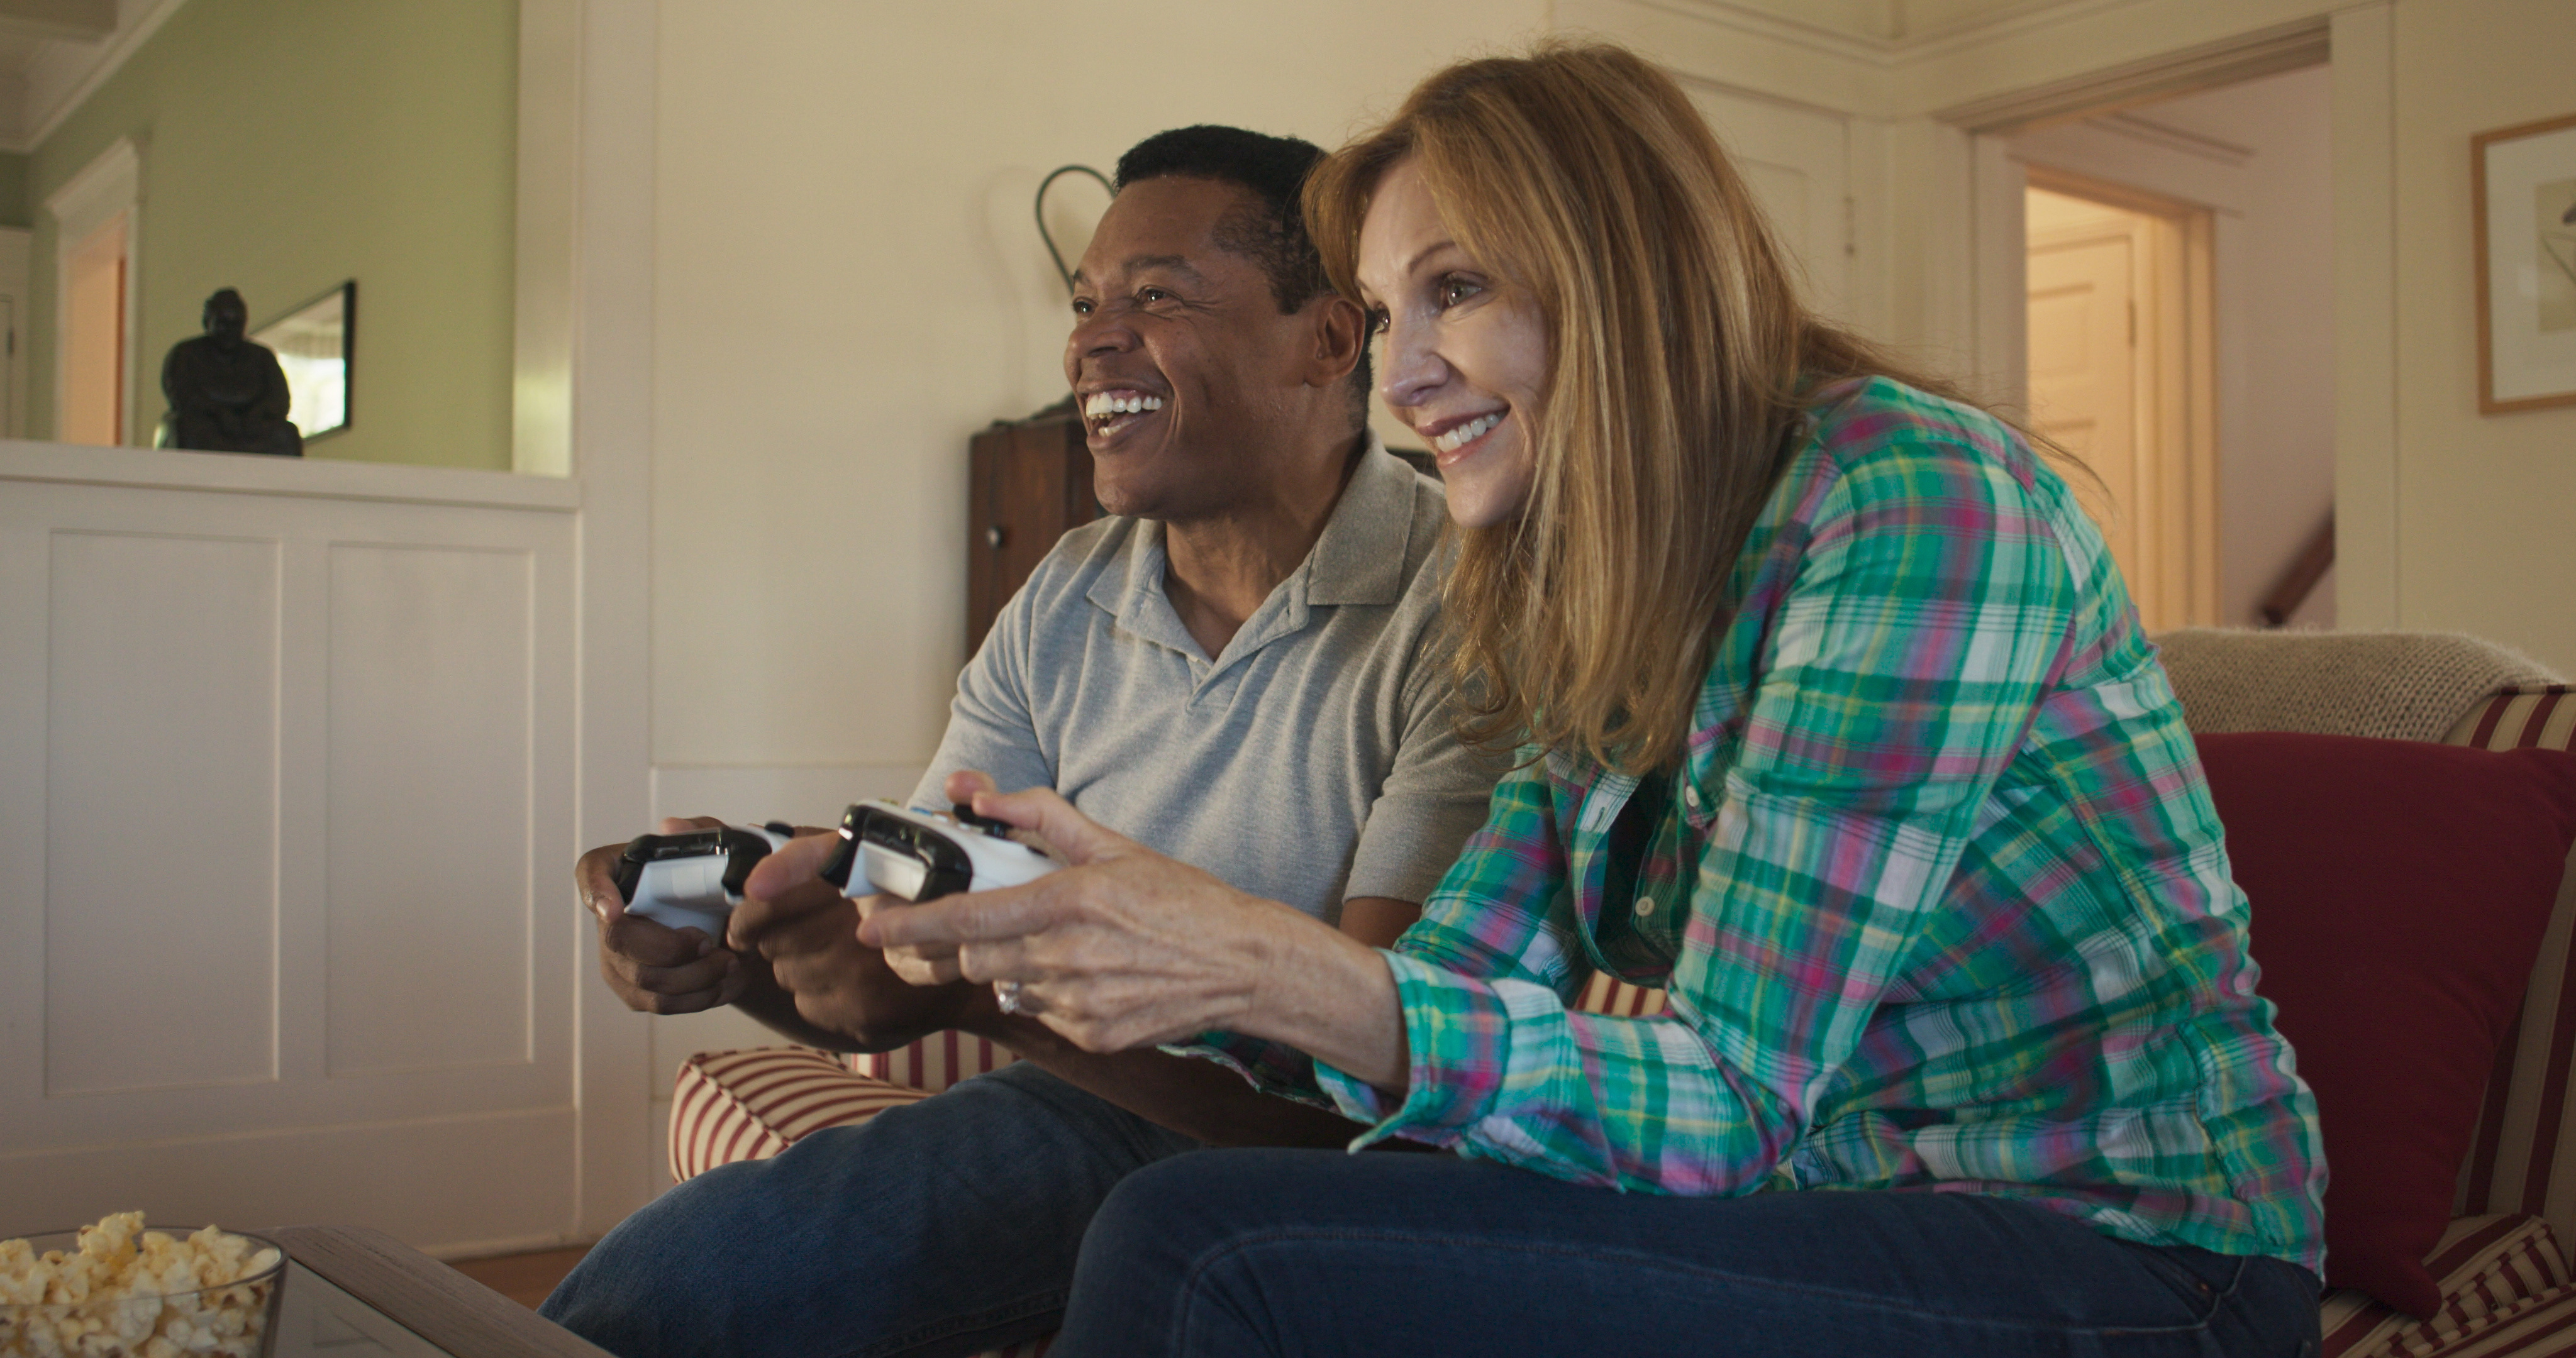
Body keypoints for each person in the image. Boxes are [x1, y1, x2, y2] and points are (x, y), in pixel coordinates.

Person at [818, 43, 2329, 1356]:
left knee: (1204, 1247)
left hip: (2134, 1257)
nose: (1401, 377)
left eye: (1453, 291)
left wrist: (1260, 965)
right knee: (1227, 1209)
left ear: (1626, 274)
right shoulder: (1581, 579)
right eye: (1380, 310)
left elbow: (1733, 1094)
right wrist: (1124, 946)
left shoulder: (1911, 498)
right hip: (1826, 1204)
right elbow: (1472, 973)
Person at [540, 125, 1506, 1358]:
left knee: (1133, 1227)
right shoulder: (1066, 591)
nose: (1092, 338)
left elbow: (1377, 1106)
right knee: (666, 1279)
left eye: (1155, 296)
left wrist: (1008, 1002)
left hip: (1315, 1176)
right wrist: (742, 948)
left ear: (1328, 337)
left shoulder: (1461, 607)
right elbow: (906, 946)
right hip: (1083, 1103)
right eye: (1085, 302)